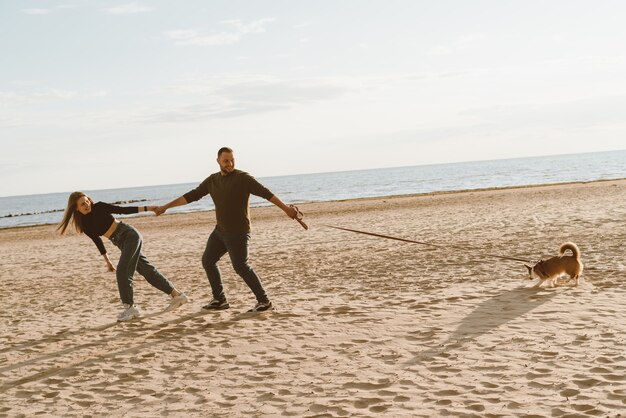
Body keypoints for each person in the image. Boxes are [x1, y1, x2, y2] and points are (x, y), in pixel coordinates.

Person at [155, 147, 298, 312]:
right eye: (226, 161)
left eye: (232, 160)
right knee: (208, 261)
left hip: (238, 232)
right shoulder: (212, 180)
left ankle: (264, 301)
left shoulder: (243, 178)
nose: (229, 164)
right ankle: (220, 299)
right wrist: (166, 206)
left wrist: (286, 208)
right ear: (218, 161)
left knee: (241, 266)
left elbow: (266, 193)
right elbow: (191, 196)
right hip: (220, 231)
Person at [58, 192, 189, 321]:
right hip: (120, 242)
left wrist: (148, 208)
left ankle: (130, 308)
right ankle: (177, 295)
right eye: (82, 204)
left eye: (87, 201)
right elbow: (98, 241)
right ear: (76, 208)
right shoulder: (84, 225)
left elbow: (123, 210)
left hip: (129, 235)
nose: (87, 205)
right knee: (146, 270)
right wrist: (108, 261)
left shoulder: (100, 207)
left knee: (122, 271)